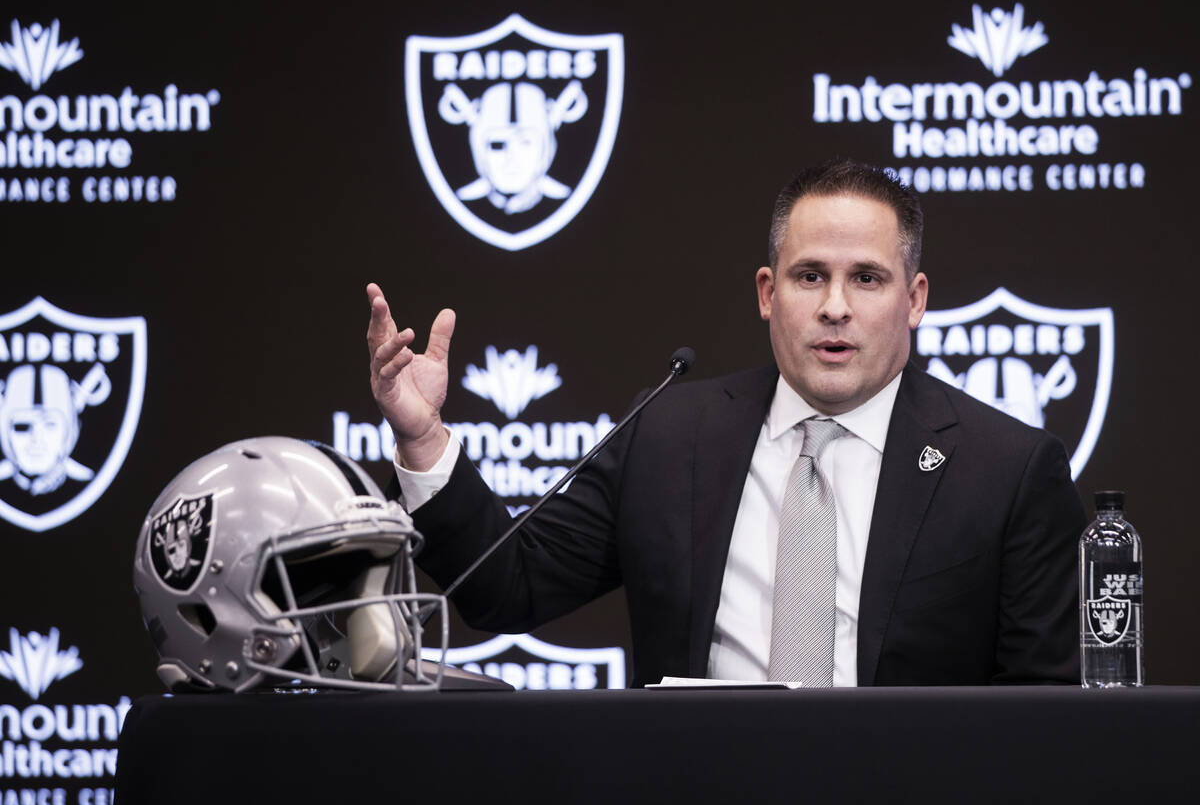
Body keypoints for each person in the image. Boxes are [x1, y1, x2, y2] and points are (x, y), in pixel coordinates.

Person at [365, 158, 1084, 688]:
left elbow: (1046, 715)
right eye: (810, 277)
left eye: (866, 278)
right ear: (768, 293)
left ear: (915, 298)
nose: (836, 306)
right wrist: (424, 439)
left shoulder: (1007, 470)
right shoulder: (670, 435)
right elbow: (507, 584)